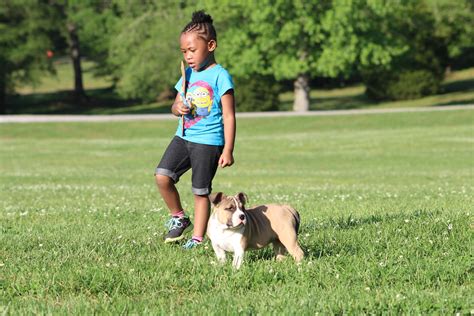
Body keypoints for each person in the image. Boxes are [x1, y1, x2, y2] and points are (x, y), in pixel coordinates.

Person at [154, 10, 236, 249]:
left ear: (211, 45)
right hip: (183, 136)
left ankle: (197, 239)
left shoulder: (221, 76)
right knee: (162, 176)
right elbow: (175, 105)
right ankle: (179, 217)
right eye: (184, 52)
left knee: (200, 191)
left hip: (209, 141)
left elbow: (230, 116)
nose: (188, 56)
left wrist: (228, 149)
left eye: (192, 50)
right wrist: (176, 107)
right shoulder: (187, 74)